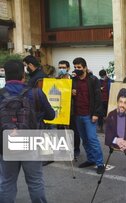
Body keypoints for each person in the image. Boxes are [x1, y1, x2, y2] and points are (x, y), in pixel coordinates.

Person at [0, 60, 55, 203]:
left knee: (7, 182)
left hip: (7, 144)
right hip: (32, 143)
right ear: (23, 75)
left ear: (5, 75)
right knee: (35, 182)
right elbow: (51, 115)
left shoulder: (1, 95)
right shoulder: (36, 93)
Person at [71, 57, 105, 174]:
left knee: (92, 139)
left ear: (85, 67)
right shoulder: (73, 80)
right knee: (84, 139)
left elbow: (98, 98)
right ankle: (91, 159)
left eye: (79, 67)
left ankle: (100, 163)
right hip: (77, 115)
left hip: (89, 115)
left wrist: (96, 113)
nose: (77, 69)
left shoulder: (93, 80)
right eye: (75, 67)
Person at [57, 60, 81, 158]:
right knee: (60, 131)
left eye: (63, 67)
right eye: (60, 68)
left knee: (74, 131)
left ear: (68, 68)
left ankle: (76, 149)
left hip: (72, 110)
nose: (62, 69)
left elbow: (80, 94)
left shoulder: (74, 80)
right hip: (59, 110)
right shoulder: (56, 80)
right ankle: (63, 149)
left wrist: (74, 92)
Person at [105, 88, 126, 153]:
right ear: (117, 102)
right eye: (121, 102)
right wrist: (116, 140)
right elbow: (107, 133)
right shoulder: (111, 115)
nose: (122, 105)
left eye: (125, 103)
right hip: (114, 144)